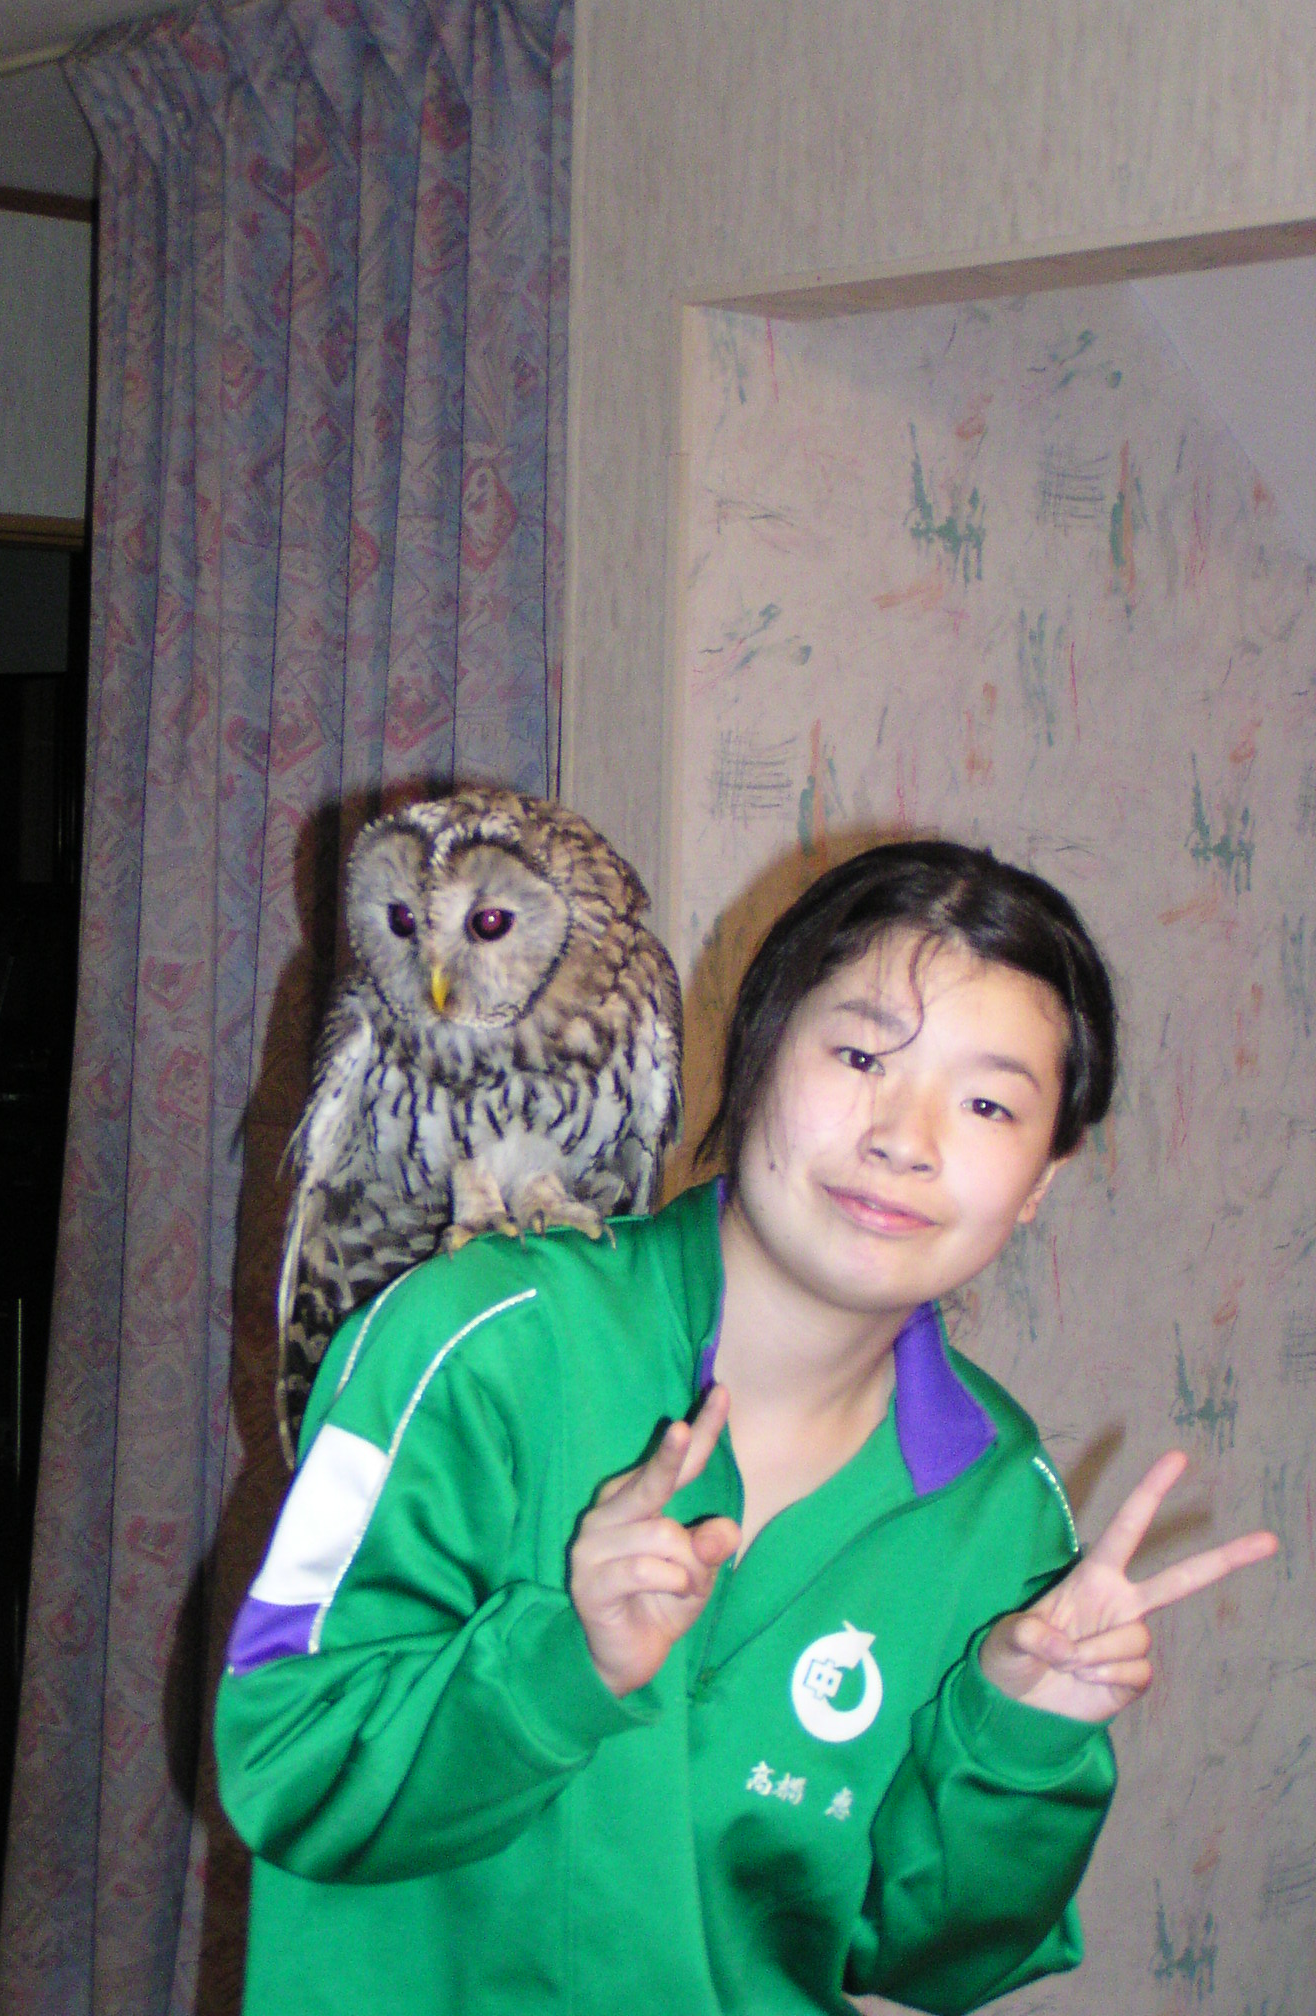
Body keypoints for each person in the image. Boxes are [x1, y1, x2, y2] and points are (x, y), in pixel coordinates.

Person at [215, 839, 1276, 2016]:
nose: (904, 1135)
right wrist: (563, 1663)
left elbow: (935, 1959)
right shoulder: (482, 1340)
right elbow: (285, 1765)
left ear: (1040, 1179)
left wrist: (1023, 1735)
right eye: (862, 1055)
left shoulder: (999, 1501)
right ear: (758, 1050)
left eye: (987, 1103)